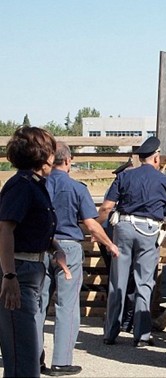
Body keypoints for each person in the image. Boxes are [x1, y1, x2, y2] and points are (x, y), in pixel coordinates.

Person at [97, 136, 166, 347]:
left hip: (123, 227)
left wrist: (95, 228)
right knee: (144, 282)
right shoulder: (163, 179)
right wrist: (165, 208)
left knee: (117, 282)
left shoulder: (124, 177)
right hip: (149, 230)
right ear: (156, 158)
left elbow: (106, 207)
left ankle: (110, 333)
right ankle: (141, 335)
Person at [36, 141, 119, 376]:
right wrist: (109, 243)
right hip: (69, 248)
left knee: (39, 305)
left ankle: (34, 358)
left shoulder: (38, 186)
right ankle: (61, 361)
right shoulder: (77, 188)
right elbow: (92, 224)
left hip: (41, 248)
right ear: (69, 161)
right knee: (67, 306)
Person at [0, 126, 70, 377]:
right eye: (51, 150)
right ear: (41, 154)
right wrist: (9, 276)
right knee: (23, 355)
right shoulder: (22, 185)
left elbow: (32, 227)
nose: (54, 156)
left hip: (33, 270)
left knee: (29, 351)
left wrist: (55, 248)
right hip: (20, 270)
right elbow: (5, 229)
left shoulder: (36, 185)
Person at [98, 158, 136, 334]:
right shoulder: (130, 187)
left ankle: (115, 321)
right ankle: (126, 321)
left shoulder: (114, 188)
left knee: (117, 279)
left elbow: (105, 211)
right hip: (117, 238)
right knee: (129, 281)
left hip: (109, 237)